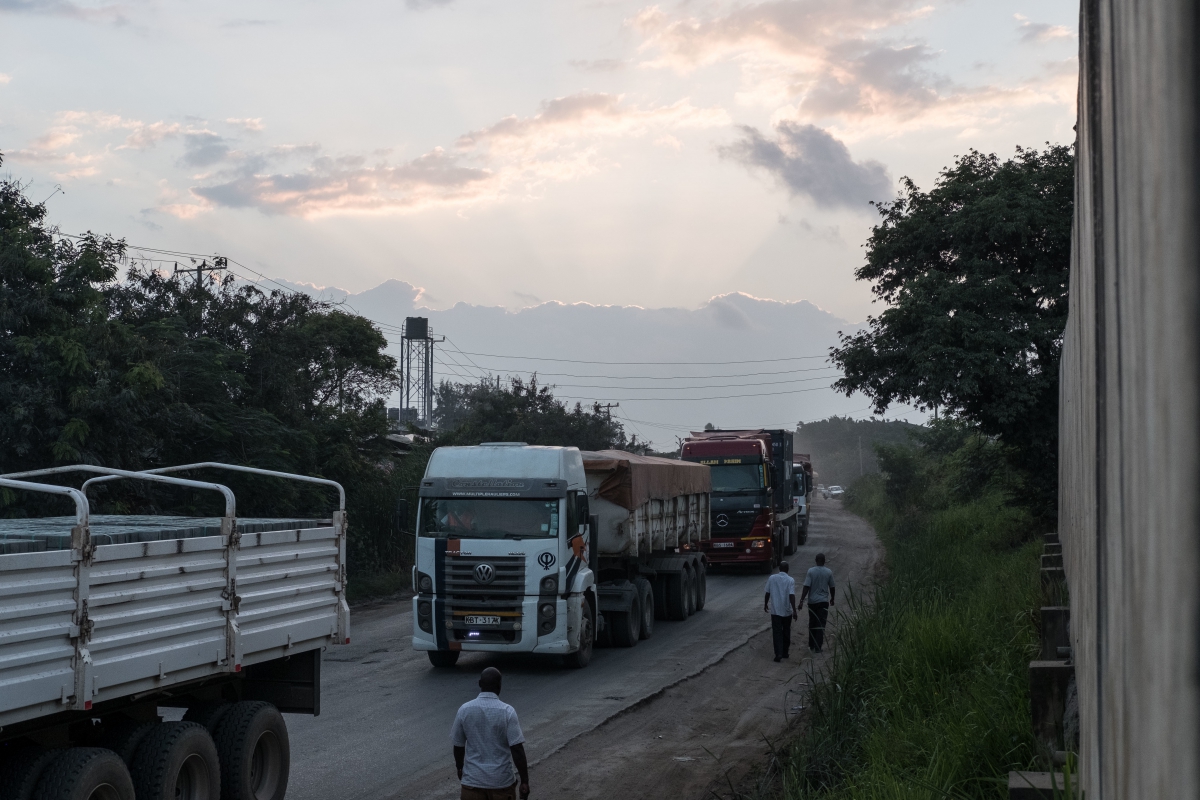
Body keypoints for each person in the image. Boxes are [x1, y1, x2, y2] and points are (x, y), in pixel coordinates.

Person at [451, 667, 531, 800]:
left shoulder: (464, 710)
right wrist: (524, 781)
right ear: (499, 686)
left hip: (472, 782)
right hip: (501, 783)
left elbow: (458, 745)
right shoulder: (507, 711)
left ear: (479, 684)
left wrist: (460, 767)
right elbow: (517, 749)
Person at [799, 553, 836, 653]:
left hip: (812, 602)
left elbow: (806, 587)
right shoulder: (828, 572)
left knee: (812, 623)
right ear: (824, 561)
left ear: (816, 560)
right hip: (823, 602)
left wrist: (801, 600)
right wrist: (832, 598)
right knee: (821, 624)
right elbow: (832, 587)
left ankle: (811, 644)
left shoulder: (811, 571)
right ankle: (818, 646)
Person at [763, 561, 798, 662]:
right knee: (786, 631)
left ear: (779, 569)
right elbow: (791, 595)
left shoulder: (772, 578)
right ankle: (785, 652)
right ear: (788, 569)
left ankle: (778, 653)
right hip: (787, 611)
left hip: (775, 611)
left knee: (777, 632)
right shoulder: (790, 580)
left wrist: (765, 604)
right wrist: (794, 610)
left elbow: (767, 593)